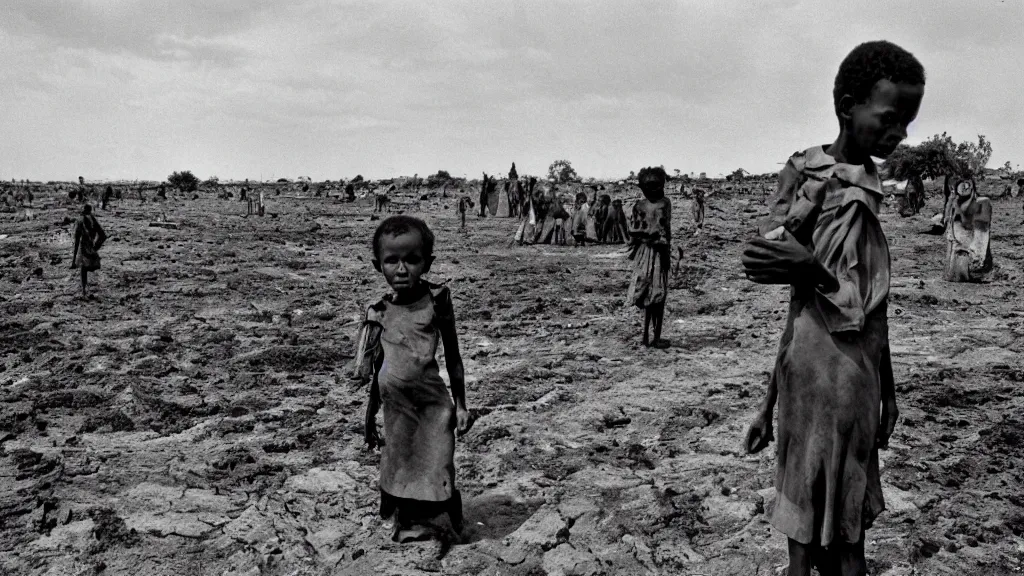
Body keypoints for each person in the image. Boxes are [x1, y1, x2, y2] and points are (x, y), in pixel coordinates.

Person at [741, 40, 924, 576]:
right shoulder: (804, 174)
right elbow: (792, 302)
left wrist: (889, 394)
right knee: (808, 543)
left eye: (906, 124)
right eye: (891, 119)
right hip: (807, 377)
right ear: (847, 105)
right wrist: (767, 403)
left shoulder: (868, 193)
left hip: (853, 381)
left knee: (844, 541)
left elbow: (871, 311)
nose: (900, 135)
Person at [352, 216, 470, 557]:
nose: (402, 269)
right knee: (400, 464)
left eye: (412, 260)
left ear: (427, 263)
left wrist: (461, 405)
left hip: (433, 403)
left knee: (437, 461)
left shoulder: (437, 300)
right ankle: (406, 523)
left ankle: (446, 515)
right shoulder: (378, 313)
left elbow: (454, 357)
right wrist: (369, 415)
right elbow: (376, 369)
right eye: (392, 261)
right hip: (396, 406)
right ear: (378, 265)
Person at [626, 167, 672, 348]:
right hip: (656, 252)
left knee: (651, 294)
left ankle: (648, 336)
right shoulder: (663, 204)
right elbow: (665, 231)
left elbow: (633, 232)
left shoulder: (641, 206)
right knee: (655, 295)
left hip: (647, 252)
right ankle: (654, 336)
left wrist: (647, 235)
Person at [70, 204, 108, 298]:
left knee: (83, 268)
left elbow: (77, 240)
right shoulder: (92, 219)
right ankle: (85, 289)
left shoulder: (80, 220)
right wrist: (95, 248)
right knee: (88, 267)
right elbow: (103, 235)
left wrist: (73, 260)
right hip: (90, 246)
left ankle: (84, 290)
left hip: (83, 246)